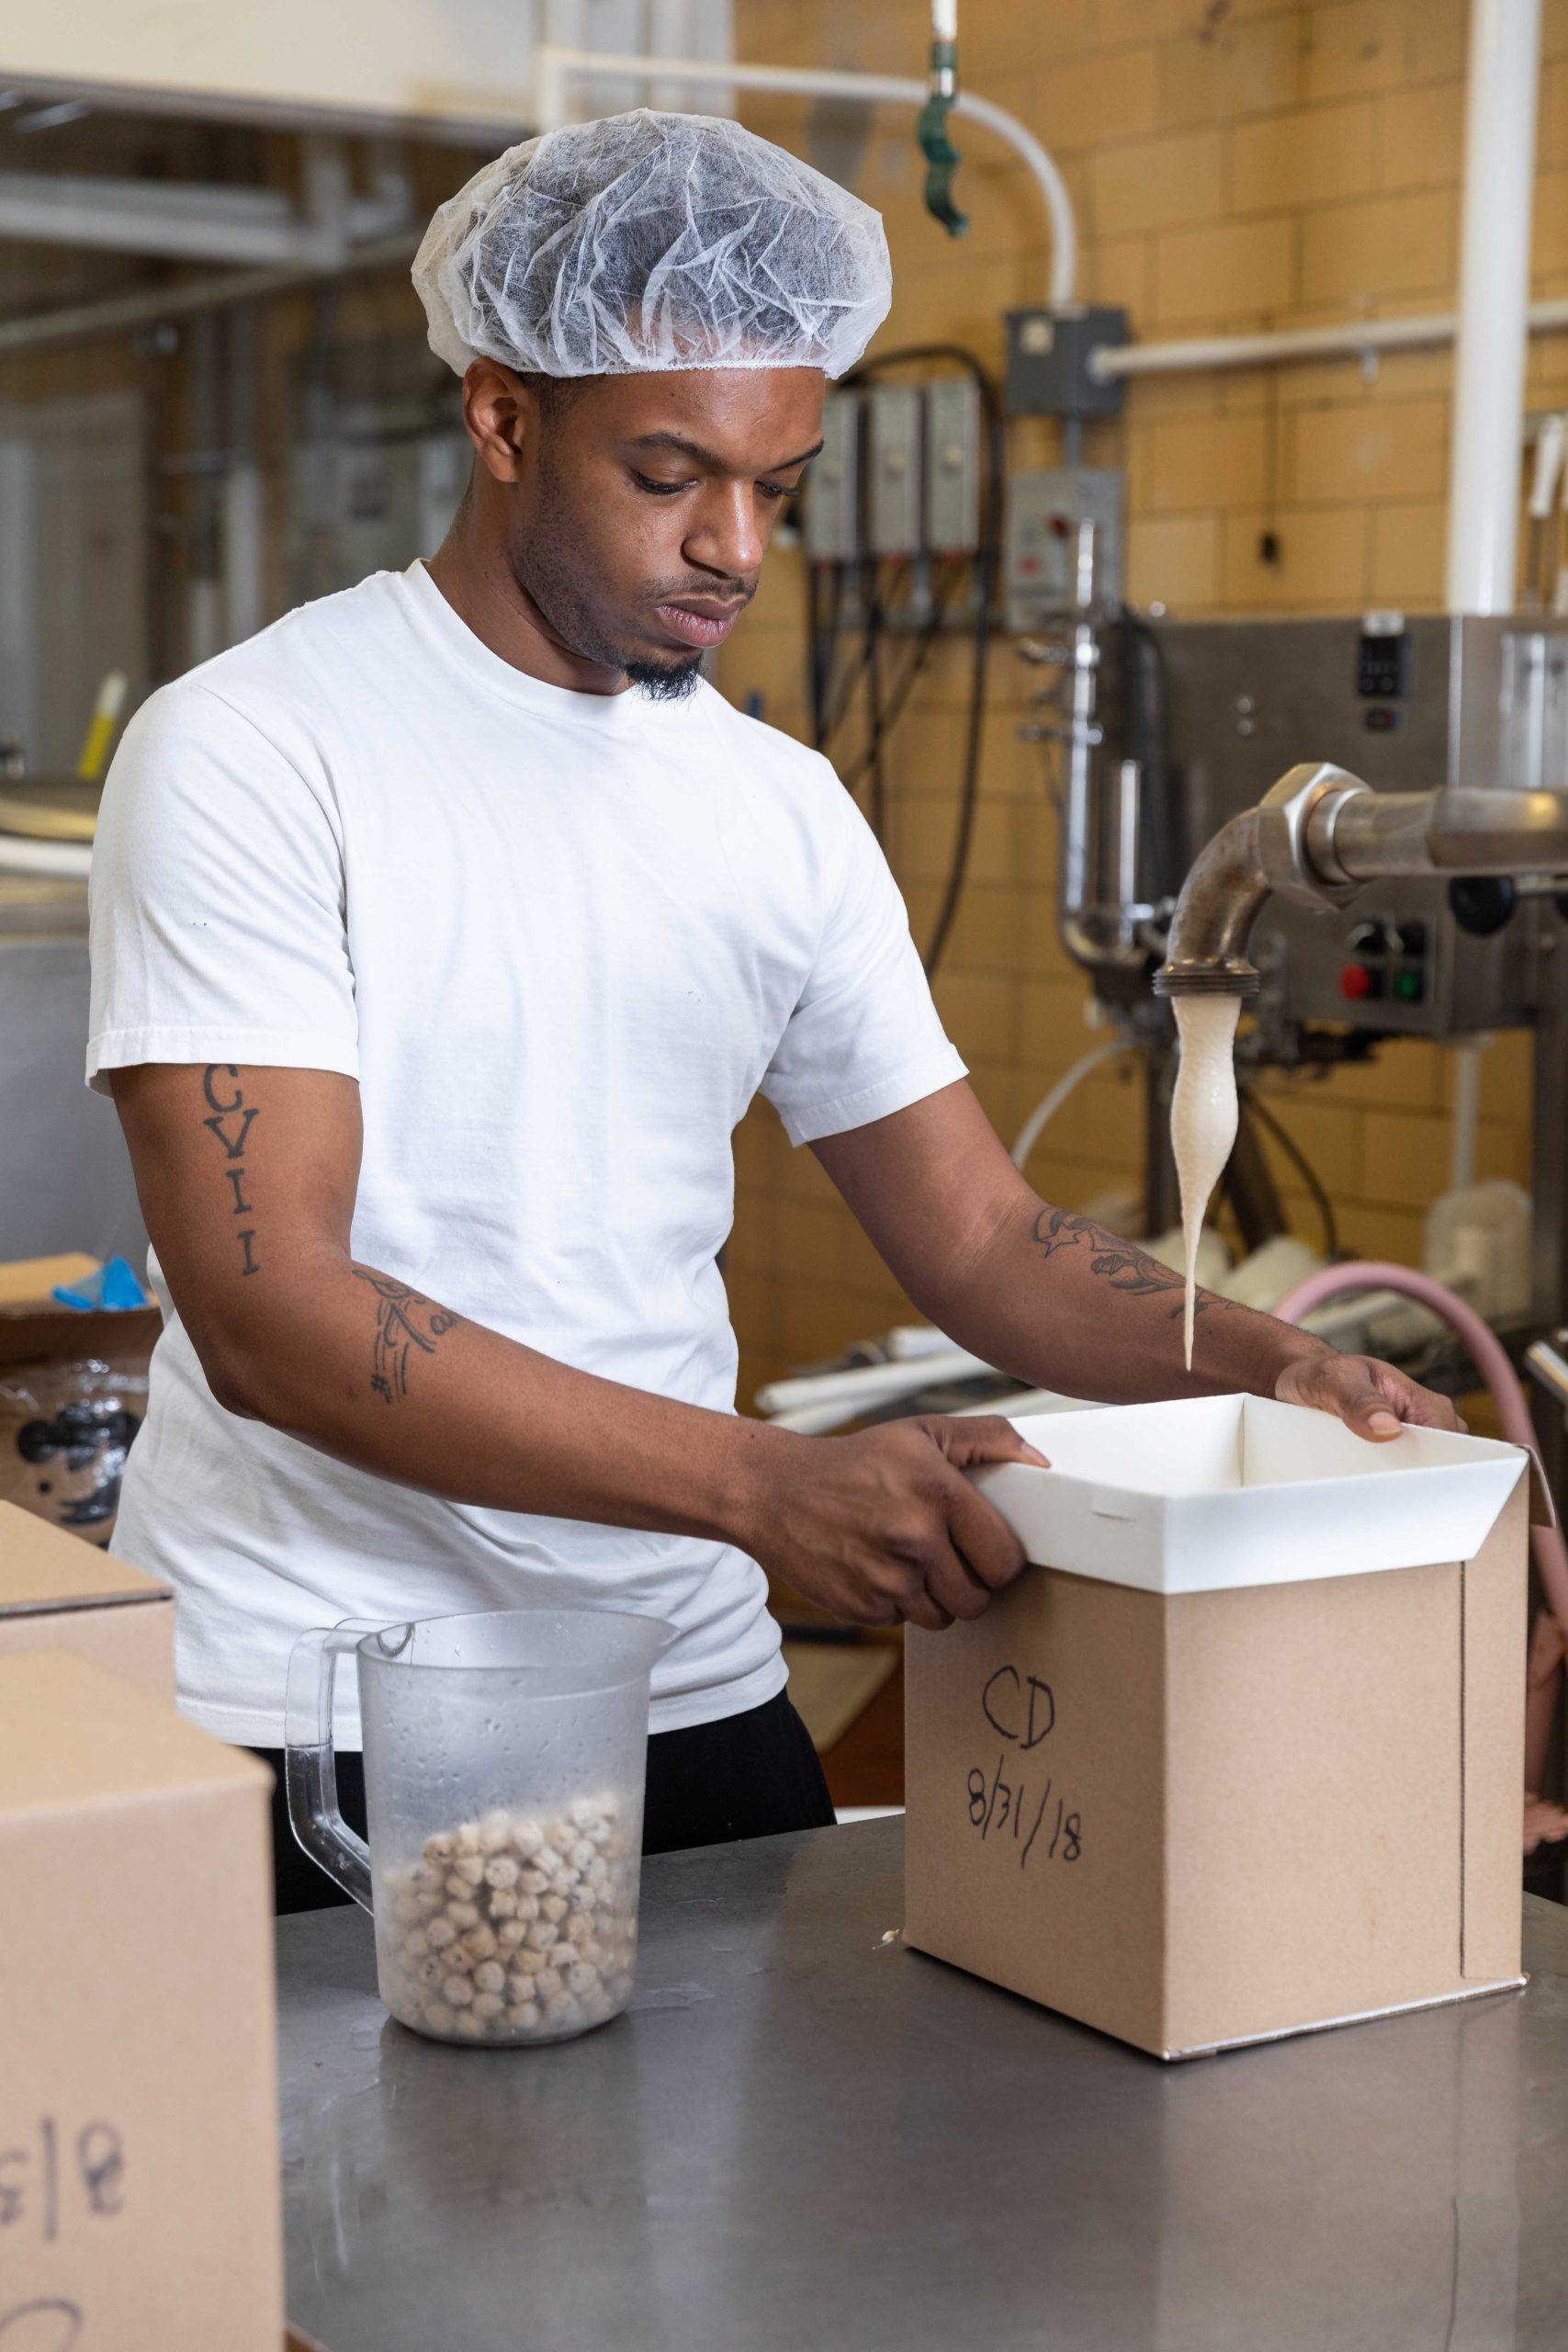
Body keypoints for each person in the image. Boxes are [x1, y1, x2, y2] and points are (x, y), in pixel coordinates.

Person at [89, 110, 1459, 1912]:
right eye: (669, 473)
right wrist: (759, 1483)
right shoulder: (256, 749)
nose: (736, 545)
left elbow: (974, 1229)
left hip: (681, 1676)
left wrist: (1262, 1360)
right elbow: (274, 1307)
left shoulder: (775, 806)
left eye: (779, 484)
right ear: (502, 416)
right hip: (323, 1694)